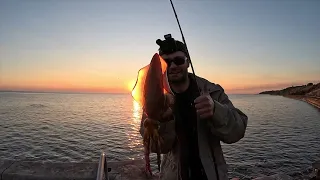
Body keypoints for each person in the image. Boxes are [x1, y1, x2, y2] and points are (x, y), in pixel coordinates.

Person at [139, 34, 248, 180]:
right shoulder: (155, 98)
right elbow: (156, 147)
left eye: (178, 60)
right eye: (166, 62)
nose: (172, 66)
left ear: (188, 62)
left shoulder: (212, 91)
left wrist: (216, 110)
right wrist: (162, 121)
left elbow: (238, 131)